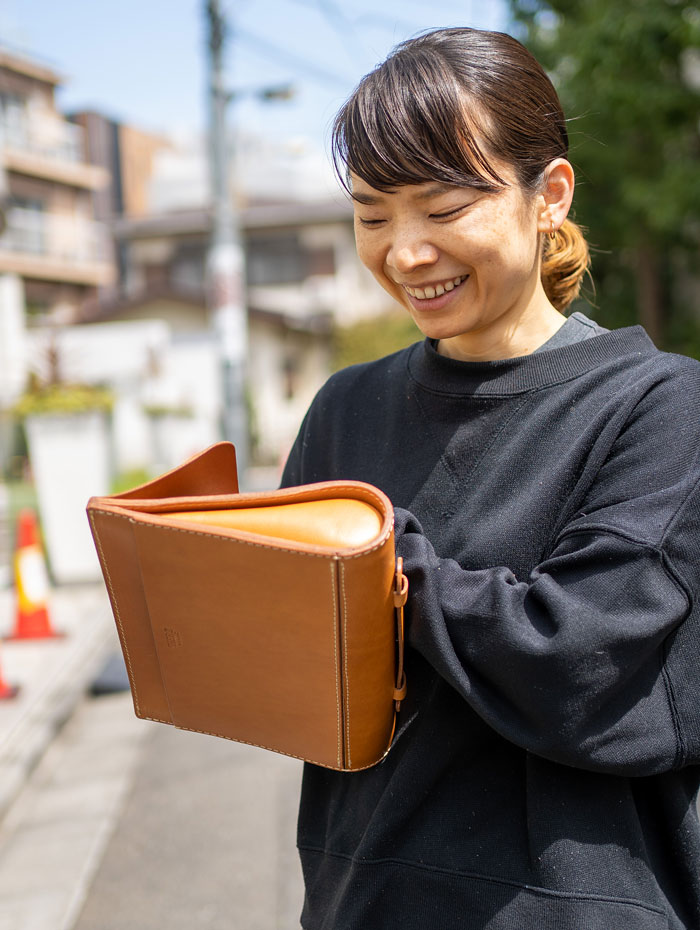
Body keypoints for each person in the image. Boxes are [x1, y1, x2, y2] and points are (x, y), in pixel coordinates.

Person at [281, 27, 700, 930]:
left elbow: (578, 665)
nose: (406, 251)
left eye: (443, 208)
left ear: (548, 194)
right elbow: (301, 688)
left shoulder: (661, 409)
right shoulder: (343, 410)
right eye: (372, 215)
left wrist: (375, 555)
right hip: (364, 896)